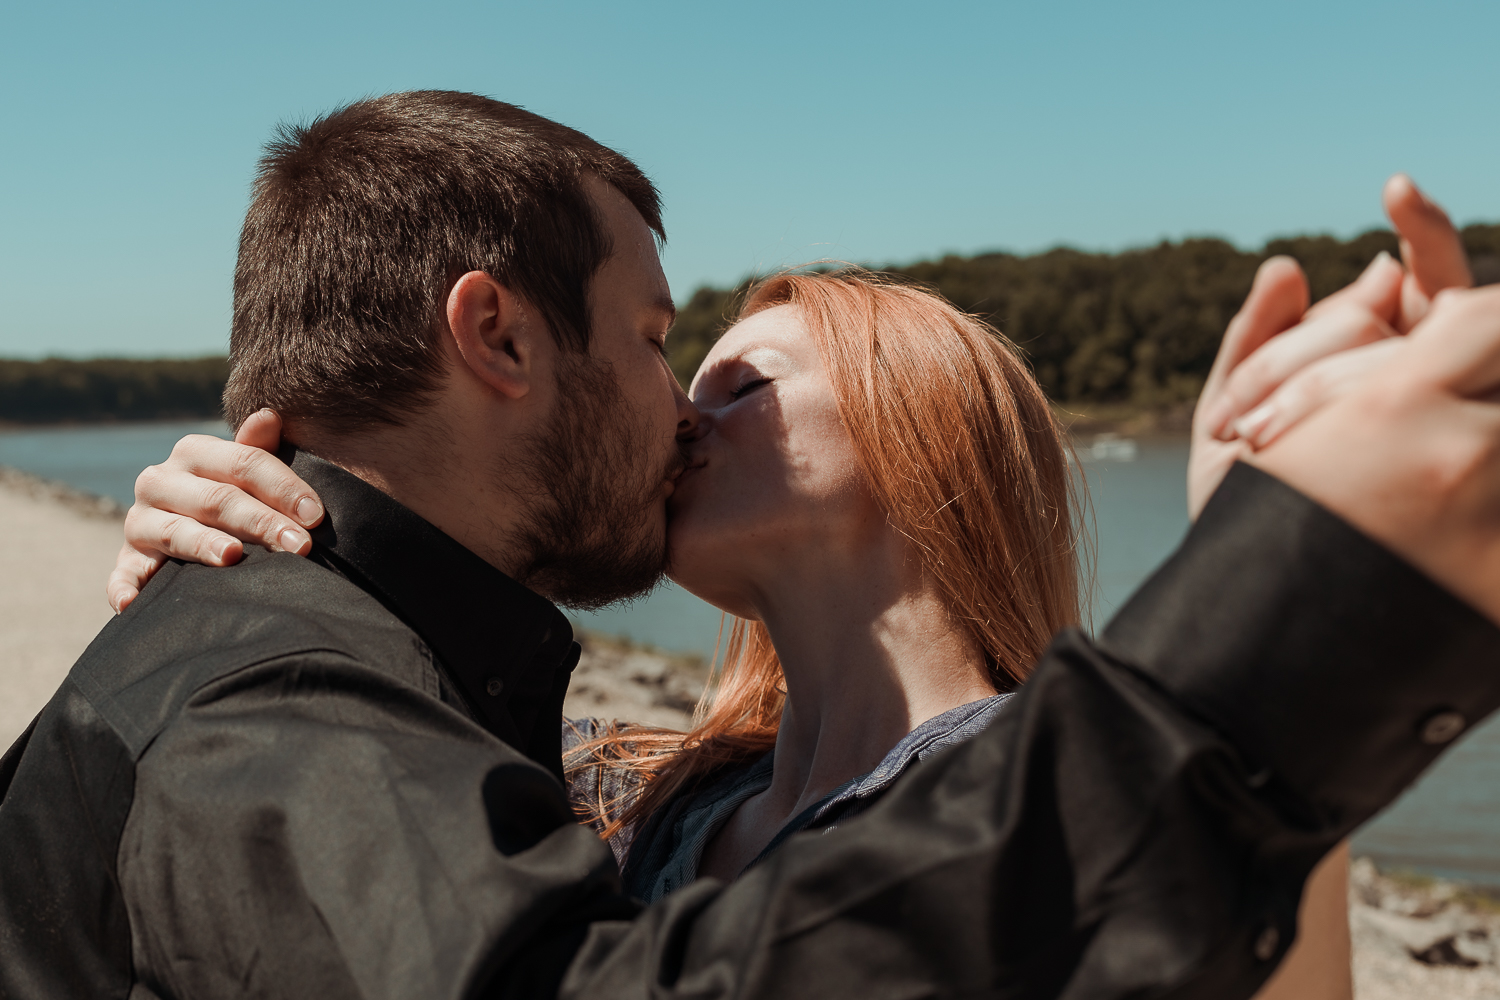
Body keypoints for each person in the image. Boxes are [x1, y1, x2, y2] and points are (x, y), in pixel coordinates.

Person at [2, 91, 1497, 1000]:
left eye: (730, 376)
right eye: (664, 346)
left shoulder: (528, 752)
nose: (676, 408)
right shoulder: (525, 761)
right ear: (498, 336)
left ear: (925, 440)